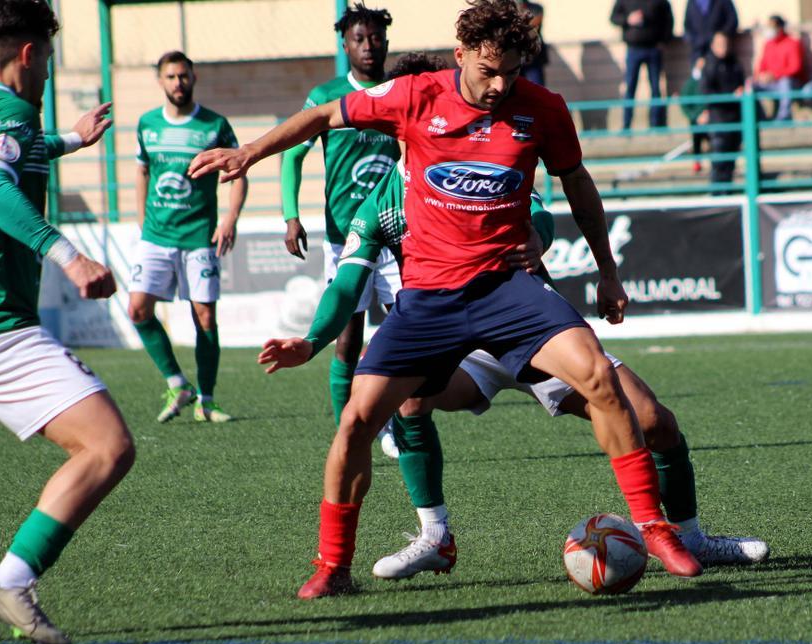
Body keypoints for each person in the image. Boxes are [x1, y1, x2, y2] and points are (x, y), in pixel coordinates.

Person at [190, 0, 703, 599]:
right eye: (488, 71)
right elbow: (326, 116)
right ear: (460, 56)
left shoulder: (542, 110)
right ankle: (335, 565)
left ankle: (654, 527)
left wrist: (607, 271)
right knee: (357, 419)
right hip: (429, 301)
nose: (499, 84)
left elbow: (576, 186)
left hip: (508, 292)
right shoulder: (413, 100)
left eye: (511, 71)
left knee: (598, 376)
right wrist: (248, 153)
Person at [256, 98, 770, 576]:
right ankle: (435, 536)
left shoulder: (488, 163)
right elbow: (347, 282)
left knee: (654, 421)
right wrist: (311, 340)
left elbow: (542, 213)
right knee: (405, 400)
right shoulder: (380, 205)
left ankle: (690, 536)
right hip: (460, 347)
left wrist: (536, 238)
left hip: (530, 327)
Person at [0, 0, 135, 644]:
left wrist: (69, 139)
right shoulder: (13, 112)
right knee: (107, 446)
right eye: (48, 55)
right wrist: (68, 255)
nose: (47, 69)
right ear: (29, 54)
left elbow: (2, 158)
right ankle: (9, 580)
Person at [278, 3, 402, 450]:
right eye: (359, 40)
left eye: (375, 38)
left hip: (399, 237)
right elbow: (292, 154)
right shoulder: (326, 95)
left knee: (402, 337)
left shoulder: (401, 92)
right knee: (347, 341)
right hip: (345, 238)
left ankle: (396, 429)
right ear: (345, 45)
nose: (369, 46)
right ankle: (346, 435)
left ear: (386, 40)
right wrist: (290, 215)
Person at [128, 51, 247, 424]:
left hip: (198, 236)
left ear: (193, 78)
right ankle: (178, 384)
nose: (178, 83)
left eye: (183, 76)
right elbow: (143, 171)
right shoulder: (147, 124)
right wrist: (140, 219)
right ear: (160, 81)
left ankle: (206, 401)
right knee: (138, 310)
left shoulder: (214, 125)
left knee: (205, 317)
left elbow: (239, 172)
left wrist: (229, 218)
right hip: (156, 236)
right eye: (170, 77)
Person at [610, 0, 674, 129]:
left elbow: (669, 19)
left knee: (656, 88)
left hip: (654, 48)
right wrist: (628, 19)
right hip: (634, 48)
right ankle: (626, 125)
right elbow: (613, 18)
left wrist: (664, 41)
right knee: (630, 88)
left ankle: (656, 124)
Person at [697, 32, 744, 188]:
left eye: (725, 43)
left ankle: (727, 192)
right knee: (718, 160)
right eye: (719, 44)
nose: (723, 47)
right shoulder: (709, 65)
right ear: (713, 45)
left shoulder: (734, 63)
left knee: (731, 161)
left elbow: (741, 83)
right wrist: (729, 96)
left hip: (734, 119)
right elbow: (706, 92)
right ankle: (718, 194)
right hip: (719, 120)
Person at [752, 15, 805, 122]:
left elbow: (795, 67)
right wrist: (762, 76)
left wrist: (775, 75)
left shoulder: (792, 43)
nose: (769, 30)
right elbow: (762, 66)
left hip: (790, 84)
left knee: (785, 82)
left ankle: (783, 116)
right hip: (771, 84)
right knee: (751, 85)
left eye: (771, 27)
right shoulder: (768, 44)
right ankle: (761, 118)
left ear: (780, 28)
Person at [516, 1, 547, 86]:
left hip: (533, 57)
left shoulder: (536, 8)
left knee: (538, 88)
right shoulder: (509, 8)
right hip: (516, 56)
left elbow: (533, 26)